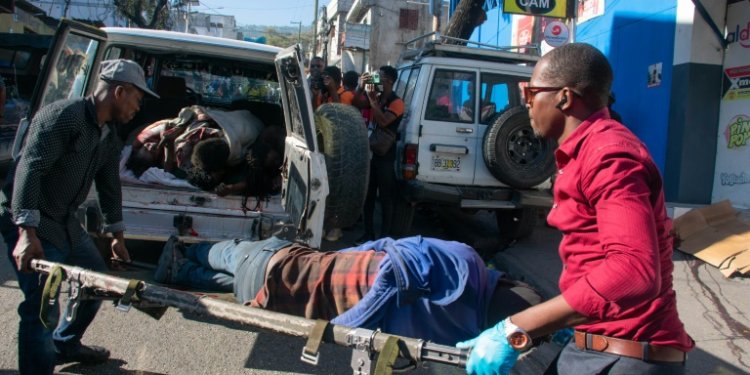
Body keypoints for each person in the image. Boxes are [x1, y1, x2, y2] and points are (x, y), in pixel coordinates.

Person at [457, 43, 693, 374]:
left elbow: (633, 271)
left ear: (565, 98)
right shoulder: (584, 154)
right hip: (598, 346)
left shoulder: (608, 156)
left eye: (530, 93)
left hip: (625, 357)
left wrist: (515, 328)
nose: (525, 104)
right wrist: (551, 324)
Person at [0, 59, 158, 374]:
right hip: (31, 221)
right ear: (119, 91)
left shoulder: (109, 136)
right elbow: (29, 171)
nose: (138, 108)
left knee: (97, 280)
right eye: (137, 99)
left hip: (65, 222)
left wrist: (117, 238)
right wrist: (26, 234)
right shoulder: (62, 117)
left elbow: (110, 188)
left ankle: (65, 344)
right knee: (42, 308)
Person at [153, 235, 542, 345]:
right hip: (280, 295)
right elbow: (389, 264)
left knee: (230, 255)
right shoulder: (461, 330)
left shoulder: (464, 264)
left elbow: (387, 255)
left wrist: (342, 327)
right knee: (231, 277)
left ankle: (185, 250)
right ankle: (182, 263)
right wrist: (339, 329)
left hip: (281, 265)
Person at [353, 66, 404, 244]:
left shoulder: (397, 102)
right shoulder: (378, 96)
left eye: (379, 77)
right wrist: (360, 87)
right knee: (368, 196)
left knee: (385, 197)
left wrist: (373, 101)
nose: (376, 80)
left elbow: (383, 121)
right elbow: (356, 104)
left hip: (385, 156)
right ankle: (368, 234)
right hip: (372, 151)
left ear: (389, 81)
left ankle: (385, 237)